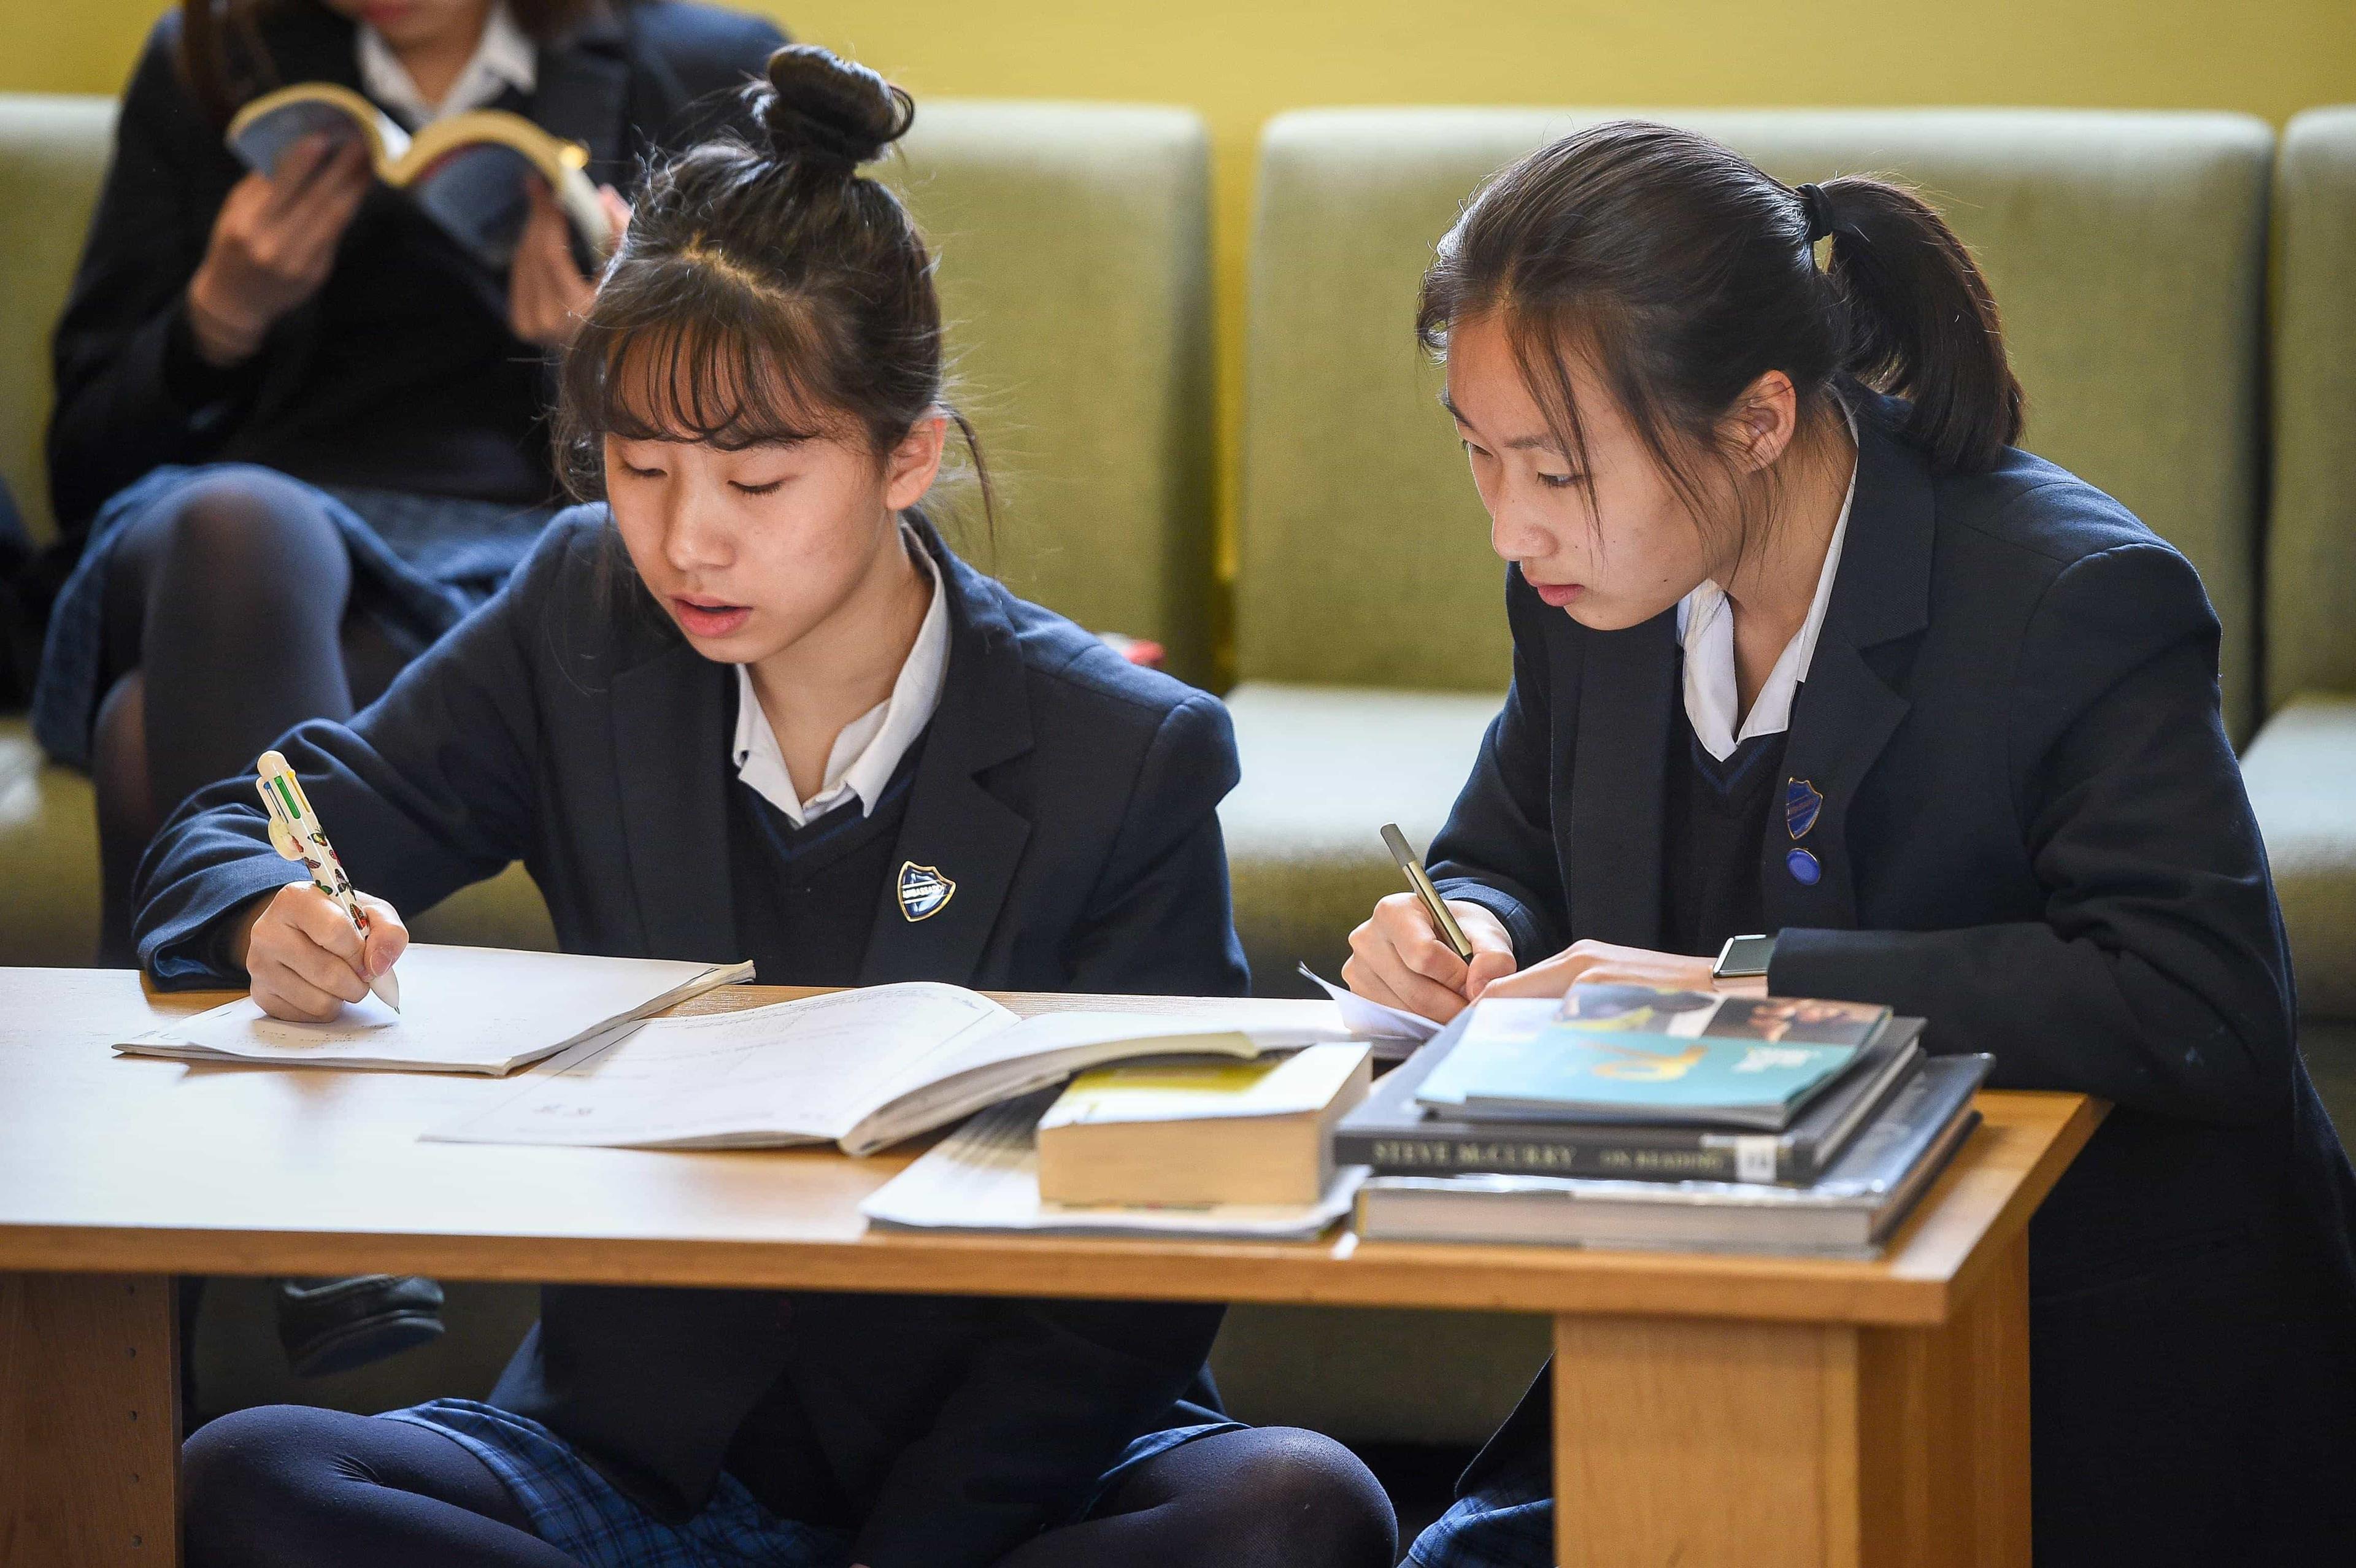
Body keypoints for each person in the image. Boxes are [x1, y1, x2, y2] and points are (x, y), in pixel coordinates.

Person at [145, 46, 1398, 1568]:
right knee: (249, 1476)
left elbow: (1145, 1259)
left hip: (1007, 1483)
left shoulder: (1119, 751)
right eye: (638, 467)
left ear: (905, 456)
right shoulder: (579, 619)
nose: (685, 543)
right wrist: (266, 911)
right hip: (637, 1454)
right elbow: (258, 821)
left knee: (1294, 1512)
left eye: (755, 484)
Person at [1342, 121, 2356, 1566]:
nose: (1512, 528)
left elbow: (2205, 1003)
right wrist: (1468, 929)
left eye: (1558, 473)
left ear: (1758, 420)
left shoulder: (2070, 598)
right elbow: (1504, 845)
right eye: (1478, 460)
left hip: (2065, 1354)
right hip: (1733, 1321)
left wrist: (1739, 989)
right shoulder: (1596, 594)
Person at [34, 0, 785, 963]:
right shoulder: (215, 61)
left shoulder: (701, 67)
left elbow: (775, 439)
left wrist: (610, 363)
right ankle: (340, 1032)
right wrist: (217, 319)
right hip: (237, 548)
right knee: (244, 524)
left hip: (507, 555)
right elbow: (82, 471)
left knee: (147, 728)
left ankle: (272, 1042)